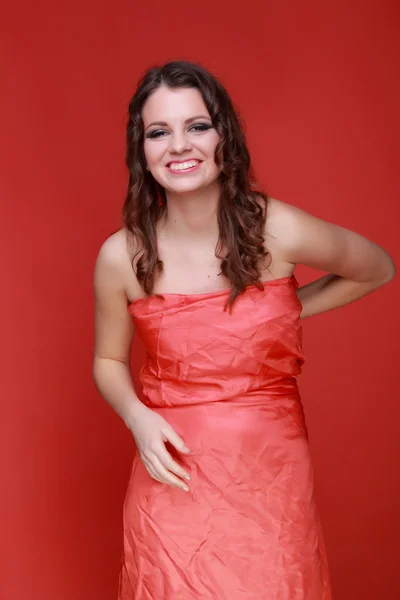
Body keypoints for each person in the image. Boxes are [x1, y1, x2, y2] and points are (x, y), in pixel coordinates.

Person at [92, 60, 395, 600]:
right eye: (159, 132)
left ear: (223, 136)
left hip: (269, 477)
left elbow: (378, 267)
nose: (178, 145)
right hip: (172, 476)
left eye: (197, 126)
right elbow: (108, 361)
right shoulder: (122, 255)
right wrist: (136, 417)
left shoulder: (278, 229)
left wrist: (280, 311)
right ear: (142, 150)